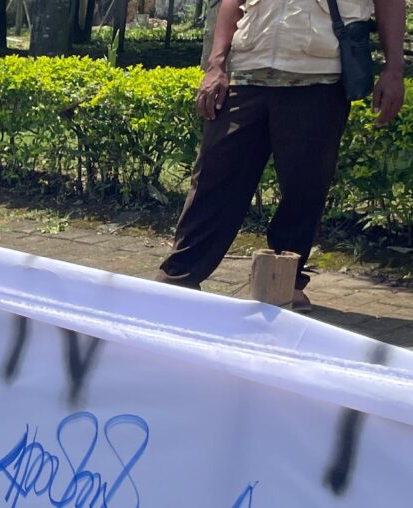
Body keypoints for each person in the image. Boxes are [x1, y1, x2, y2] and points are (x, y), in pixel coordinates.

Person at [155, 0, 406, 311]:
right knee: (212, 181)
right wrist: (216, 65)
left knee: (304, 191)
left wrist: (394, 69)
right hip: (246, 74)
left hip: (320, 79)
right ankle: (179, 277)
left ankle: (284, 283)